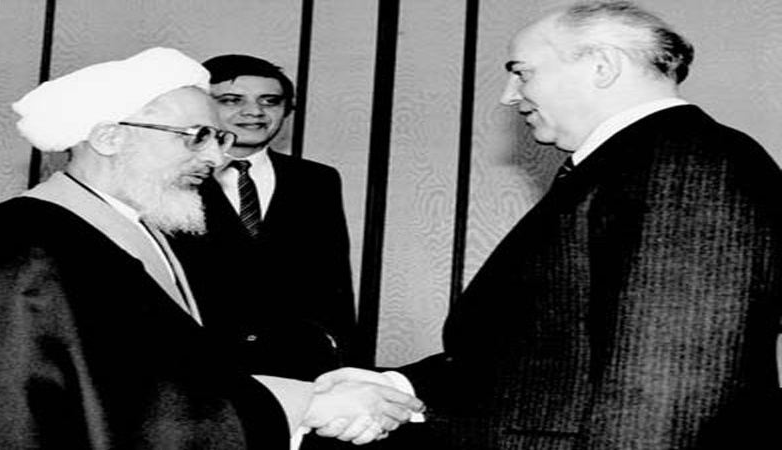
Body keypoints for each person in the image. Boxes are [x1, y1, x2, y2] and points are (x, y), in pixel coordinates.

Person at [317, 1, 782, 449]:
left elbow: (669, 381)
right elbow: (539, 355)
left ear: (602, 66)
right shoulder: (631, 164)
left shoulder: (688, 163)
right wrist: (395, 386)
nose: (509, 94)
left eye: (522, 72)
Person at [0, 47, 422, 449]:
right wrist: (306, 406)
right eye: (196, 136)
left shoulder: (134, 228)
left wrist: (308, 396)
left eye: (218, 139)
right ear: (109, 138)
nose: (215, 158)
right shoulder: (21, 246)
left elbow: (173, 379)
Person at [168, 54, 356, 381]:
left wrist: (347, 365)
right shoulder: (169, 175)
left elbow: (333, 284)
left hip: (297, 369)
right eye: (232, 100)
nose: (254, 112)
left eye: (270, 101)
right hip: (198, 369)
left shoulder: (316, 180)